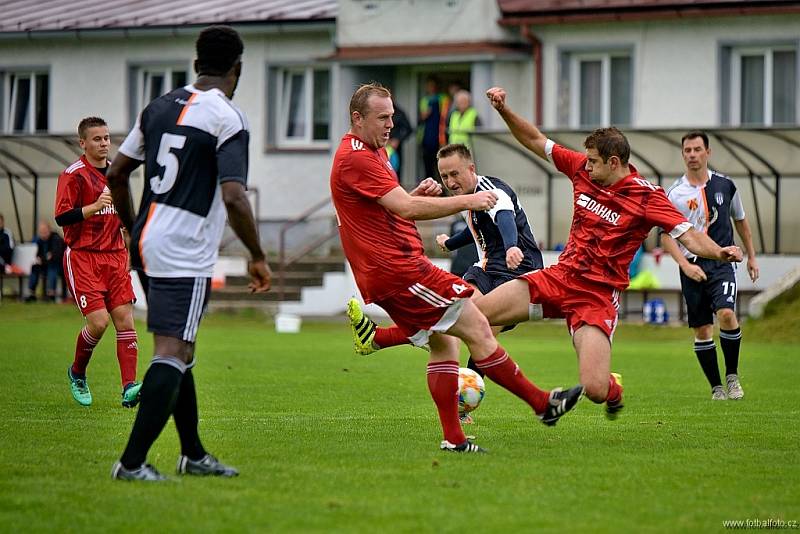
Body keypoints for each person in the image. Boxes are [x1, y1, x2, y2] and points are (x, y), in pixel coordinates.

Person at [332, 82, 583, 454]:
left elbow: (389, 209)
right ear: (358, 118)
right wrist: (467, 199)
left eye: (391, 116)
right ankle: (542, 404)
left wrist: (413, 197)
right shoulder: (359, 157)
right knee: (478, 327)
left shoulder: (371, 153)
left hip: (391, 269)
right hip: (400, 270)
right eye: (382, 118)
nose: (390, 124)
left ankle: (454, 438)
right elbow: (406, 210)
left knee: (445, 342)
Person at [472, 87, 743, 420]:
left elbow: (689, 237)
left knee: (596, 390)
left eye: (594, 162)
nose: (585, 166)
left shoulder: (648, 198)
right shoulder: (583, 169)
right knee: (474, 315)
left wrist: (720, 252)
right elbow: (534, 140)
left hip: (596, 297)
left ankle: (613, 388)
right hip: (560, 278)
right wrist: (503, 109)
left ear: (614, 162)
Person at [106, 25, 272, 481]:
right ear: (237, 69)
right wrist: (257, 255)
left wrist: (130, 223)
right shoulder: (228, 118)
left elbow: (117, 173)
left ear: (197, 64)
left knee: (184, 346)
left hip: (147, 240)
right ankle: (132, 462)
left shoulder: (157, 107)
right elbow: (235, 196)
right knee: (173, 349)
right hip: (184, 248)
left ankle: (193, 453)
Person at [349, 143, 544, 371]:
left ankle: (381, 338)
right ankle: (464, 391)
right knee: (457, 315)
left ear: (471, 169)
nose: (450, 182)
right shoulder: (466, 197)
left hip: (519, 270)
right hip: (488, 268)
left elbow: (504, 217)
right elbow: (476, 228)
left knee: (470, 325)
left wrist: (511, 246)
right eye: (444, 176)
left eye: (455, 174)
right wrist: (450, 243)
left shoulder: (492, 190)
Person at [661, 130, 759, 401]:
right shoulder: (675, 193)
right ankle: (717, 388)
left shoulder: (726, 185)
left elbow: (741, 220)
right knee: (703, 329)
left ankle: (732, 376)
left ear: (707, 152)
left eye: (697, 149)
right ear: (683, 155)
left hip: (723, 263)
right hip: (692, 266)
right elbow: (666, 235)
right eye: (687, 151)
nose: (692, 155)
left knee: (727, 314)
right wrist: (684, 265)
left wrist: (751, 256)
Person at [54, 117, 141, 408]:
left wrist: (130, 248)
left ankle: (129, 387)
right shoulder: (74, 174)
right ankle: (77, 373)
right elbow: (62, 217)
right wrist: (93, 207)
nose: (104, 143)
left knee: (125, 320)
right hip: (83, 256)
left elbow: (125, 215)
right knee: (99, 322)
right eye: (97, 139)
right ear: (83, 143)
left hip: (115, 257)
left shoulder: (118, 173)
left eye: (106, 138)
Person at [418, 76, 449, 182]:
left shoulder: (442, 98)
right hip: (427, 137)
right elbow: (422, 117)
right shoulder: (425, 100)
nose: (430, 88)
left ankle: (441, 187)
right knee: (427, 164)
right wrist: (425, 114)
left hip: (439, 137)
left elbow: (445, 115)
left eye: (432, 86)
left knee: (440, 164)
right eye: (429, 86)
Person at [25, 221, 64, 302]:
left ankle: (51, 294)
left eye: (45, 231)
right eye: (41, 232)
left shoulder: (56, 239)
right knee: (34, 267)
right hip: (43, 265)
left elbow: (55, 256)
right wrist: (44, 258)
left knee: (52, 267)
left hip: (59, 266)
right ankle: (31, 293)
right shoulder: (37, 240)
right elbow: (32, 252)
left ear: (49, 230)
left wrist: (43, 259)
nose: (43, 234)